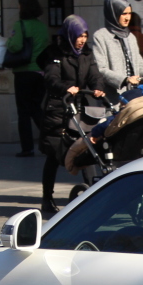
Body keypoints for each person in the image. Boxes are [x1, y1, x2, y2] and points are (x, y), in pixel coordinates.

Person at [39, 15, 105, 216]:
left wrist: (98, 89)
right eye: (78, 36)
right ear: (69, 35)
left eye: (85, 35)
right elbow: (51, 78)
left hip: (78, 109)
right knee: (53, 154)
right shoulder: (56, 53)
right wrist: (68, 88)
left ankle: (88, 194)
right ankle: (47, 198)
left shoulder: (86, 53)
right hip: (58, 110)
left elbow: (94, 75)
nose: (82, 40)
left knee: (84, 148)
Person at [89, 0, 143, 100]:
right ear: (114, 14)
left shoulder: (130, 36)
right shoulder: (101, 36)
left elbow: (139, 65)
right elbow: (100, 69)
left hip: (135, 95)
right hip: (114, 97)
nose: (127, 18)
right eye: (124, 14)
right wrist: (124, 79)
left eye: (129, 13)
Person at [7, 0, 51, 158]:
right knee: (36, 108)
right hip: (40, 72)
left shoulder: (20, 25)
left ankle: (27, 147)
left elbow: (16, 45)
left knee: (24, 111)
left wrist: (8, 42)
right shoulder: (41, 27)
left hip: (24, 72)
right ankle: (49, 137)